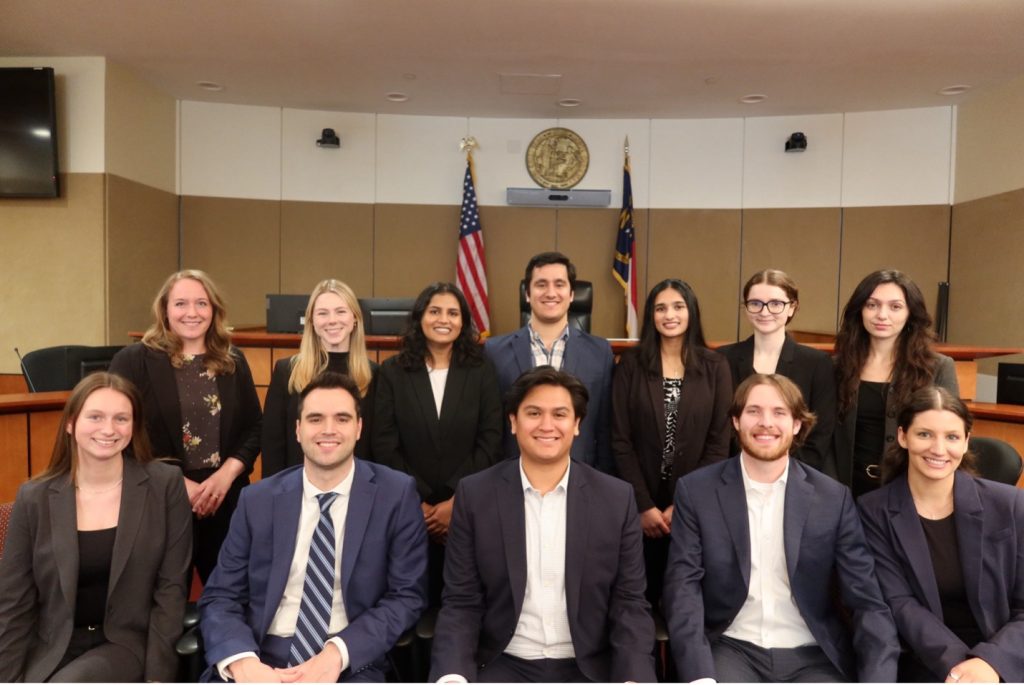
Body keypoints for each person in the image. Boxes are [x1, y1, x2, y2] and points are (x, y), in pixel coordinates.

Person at [664, 373, 898, 683]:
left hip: (813, 656)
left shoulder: (832, 498)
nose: (766, 423)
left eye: (779, 412)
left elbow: (866, 599)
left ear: (797, 424)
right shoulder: (697, 492)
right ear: (736, 421)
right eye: (753, 411)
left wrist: (878, 679)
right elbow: (683, 588)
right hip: (731, 649)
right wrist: (699, 675)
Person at [429, 366, 656, 683]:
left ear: (576, 424)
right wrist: (451, 675)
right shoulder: (475, 494)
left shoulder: (616, 499)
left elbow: (629, 603)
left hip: (588, 668)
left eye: (560, 414)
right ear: (513, 422)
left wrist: (634, 677)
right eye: (533, 413)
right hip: (503, 664)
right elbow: (461, 602)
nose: (547, 425)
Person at [198, 372, 428, 683]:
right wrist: (242, 663)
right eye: (316, 419)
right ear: (298, 429)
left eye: (342, 419)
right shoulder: (257, 500)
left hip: (350, 659)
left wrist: (338, 653)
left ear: (359, 428)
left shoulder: (395, 495)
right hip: (260, 655)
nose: (328, 430)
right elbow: (220, 596)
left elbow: (406, 596)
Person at [0, 372, 192, 682]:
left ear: (134, 426)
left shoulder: (163, 485)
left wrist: (159, 677)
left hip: (124, 644)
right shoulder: (34, 497)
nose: (108, 429)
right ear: (70, 423)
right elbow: (13, 602)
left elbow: (171, 591)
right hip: (50, 646)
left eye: (121, 418)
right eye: (95, 417)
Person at [858, 386, 1024, 683]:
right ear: (902, 436)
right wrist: (963, 670)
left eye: (951, 437)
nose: (938, 449)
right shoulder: (873, 511)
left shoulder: (1011, 504)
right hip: (928, 659)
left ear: (966, 442)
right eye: (924, 434)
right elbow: (900, 603)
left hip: (1006, 658)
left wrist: (990, 663)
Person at [109, 269, 262, 583]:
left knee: (229, 596)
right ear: (164, 310)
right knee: (161, 598)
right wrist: (177, 483)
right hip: (158, 496)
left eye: (201, 304)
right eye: (181, 304)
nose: (192, 313)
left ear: (214, 310)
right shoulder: (134, 361)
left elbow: (254, 427)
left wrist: (226, 475)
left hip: (223, 498)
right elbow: (121, 433)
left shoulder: (233, 360)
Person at [371, 282, 502, 605]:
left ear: (463, 322)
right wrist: (419, 503)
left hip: (468, 508)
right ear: (420, 318)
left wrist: (457, 500)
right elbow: (384, 442)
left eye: (453, 313)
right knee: (411, 602)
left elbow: (491, 438)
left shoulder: (482, 370)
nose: (444, 319)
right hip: (409, 509)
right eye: (435, 311)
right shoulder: (392, 371)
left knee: (465, 602)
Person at [611, 278, 731, 607]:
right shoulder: (631, 365)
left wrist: (684, 504)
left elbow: (719, 443)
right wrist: (643, 505)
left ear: (691, 312)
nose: (669, 315)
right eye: (661, 308)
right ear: (651, 315)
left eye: (678, 306)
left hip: (693, 503)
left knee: (686, 600)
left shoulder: (715, 367)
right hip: (641, 503)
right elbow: (620, 440)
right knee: (639, 599)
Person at [484, 251, 614, 473]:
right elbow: (490, 427)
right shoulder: (494, 351)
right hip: (511, 476)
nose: (550, 292)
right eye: (541, 284)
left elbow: (604, 428)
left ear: (572, 294)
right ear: (527, 293)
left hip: (580, 475)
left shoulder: (600, 352)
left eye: (560, 284)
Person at [833, 269, 959, 496]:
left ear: (911, 313)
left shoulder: (939, 367)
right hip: (843, 491)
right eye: (872, 305)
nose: (882, 315)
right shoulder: (836, 367)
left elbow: (951, 432)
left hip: (909, 492)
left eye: (895, 307)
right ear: (859, 310)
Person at [717, 269, 836, 472]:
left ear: (792, 308)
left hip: (797, 476)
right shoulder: (722, 359)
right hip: (733, 473)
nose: (764, 312)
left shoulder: (817, 363)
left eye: (775, 304)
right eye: (755, 303)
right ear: (746, 308)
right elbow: (719, 428)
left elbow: (819, 435)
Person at [263, 279, 376, 476]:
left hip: (358, 493)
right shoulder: (287, 371)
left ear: (355, 319)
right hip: (296, 492)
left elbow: (376, 448)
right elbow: (272, 445)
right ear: (312, 322)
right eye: (323, 313)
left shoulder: (374, 374)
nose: (332, 320)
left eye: (340, 311)